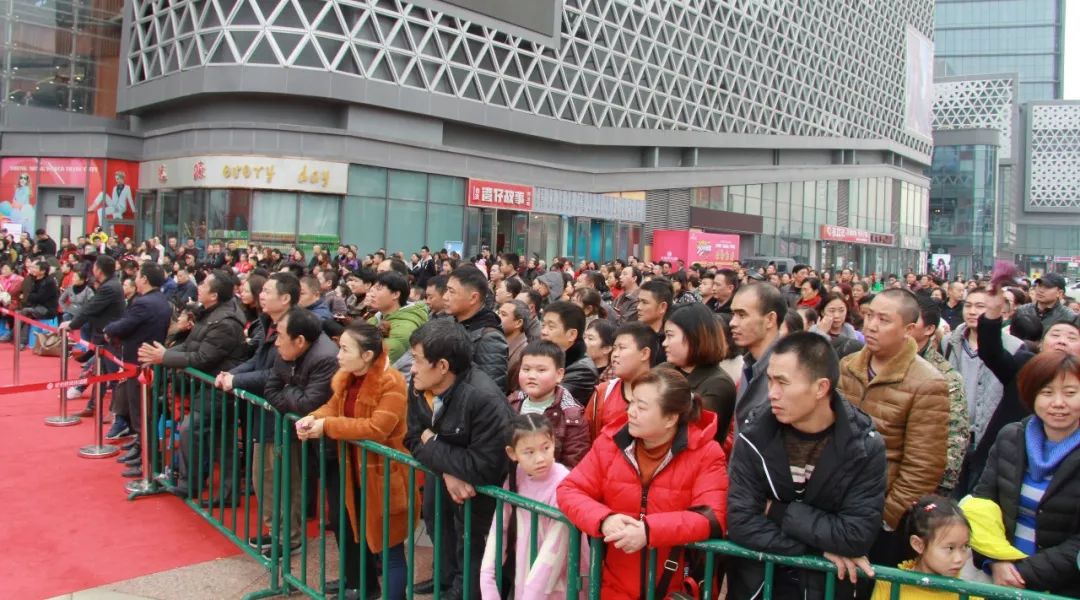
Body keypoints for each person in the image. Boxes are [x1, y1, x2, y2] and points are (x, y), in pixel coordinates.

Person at [727, 332, 887, 599]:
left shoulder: (864, 446)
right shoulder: (754, 434)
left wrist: (776, 512)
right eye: (769, 380)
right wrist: (817, 550)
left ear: (821, 387)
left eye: (783, 383)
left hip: (824, 589)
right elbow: (742, 522)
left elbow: (855, 535)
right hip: (757, 584)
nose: (772, 393)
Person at [557, 367, 727, 599]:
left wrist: (650, 530)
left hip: (675, 588)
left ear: (670, 418)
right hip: (614, 586)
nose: (631, 412)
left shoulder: (706, 452)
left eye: (642, 407)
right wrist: (604, 519)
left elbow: (712, 517)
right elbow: (570, 490)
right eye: (632, 403)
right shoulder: (610, 443)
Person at [296, 321, 412, 600]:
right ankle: (364, 588)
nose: (339, 355)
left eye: (345, 349)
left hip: (382, 475)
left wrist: (328, 427)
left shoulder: (391, 381)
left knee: (390, 549)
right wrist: (314, 417)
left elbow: (376, 428)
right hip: (353, 472)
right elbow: (333, 406)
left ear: (367, 355)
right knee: (357, 536)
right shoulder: (348, 377)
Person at [837, 289, 950, 569]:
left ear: (909, 329)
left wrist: (885, 516)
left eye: (884, 320)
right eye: (869, 316)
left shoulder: (927, 383)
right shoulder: (847, 366)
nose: (872, 326)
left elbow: (923, 466)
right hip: (836, 506)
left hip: (881, 519)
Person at [403, 319, 513, 599]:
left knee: (472, 559)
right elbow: (413, 437)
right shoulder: (418, 386)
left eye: (417, 360)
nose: (411, 368)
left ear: (441, 366)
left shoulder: (483, 399)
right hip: (446, 485)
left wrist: (433, 443)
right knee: (440, 531)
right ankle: (446, 581)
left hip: (477, 501)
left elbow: (484, 465)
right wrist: (448, 472)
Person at [971, 351, 1080, 596]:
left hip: (1063, 586)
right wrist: (995, 561)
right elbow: (983, 504)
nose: (1058, 402)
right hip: (1000, 578)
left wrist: (1023, 573)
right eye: (1047, 392)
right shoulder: (1012, 436)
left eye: (1070, 393)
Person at [139, 269, 249, 497]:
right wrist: (165, 354)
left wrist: (164, 357)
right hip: (210, 385)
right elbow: (192, 345)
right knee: (222, 441)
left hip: (218, 387)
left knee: (195, 431)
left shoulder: (225, 323)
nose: (198, 287)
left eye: (204, 285)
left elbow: (201, 357)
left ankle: (191, 485)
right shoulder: (211, 313)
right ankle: (225, 492)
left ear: (214, 295)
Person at [260, 307, 340, 556]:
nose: (276, 342)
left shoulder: (325, 357)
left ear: (300, 340)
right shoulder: (286, 349)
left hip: (330, 441)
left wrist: (288, 389)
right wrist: (293, 390)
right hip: (306, 433)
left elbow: (308, 405)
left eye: (280, 336)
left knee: (341, 509)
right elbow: (270, 389)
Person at [480, 414, 580, 600]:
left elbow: (554, 551)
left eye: (546, 448)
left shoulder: (565, 483)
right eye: (529, 452)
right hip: (527, 570)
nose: (540, 458)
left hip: (559, 579)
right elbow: (499, 528)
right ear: (512, 453)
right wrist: (487, 579)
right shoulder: (515, 476)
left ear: (553, 441)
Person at [945, 287, 1029, 492]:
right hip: (952, 431)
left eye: (980, 306)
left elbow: (992, 352)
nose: (973, 311)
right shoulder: (948, 341)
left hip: (988, 432)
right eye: (969, 305)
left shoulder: (1014, 347)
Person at [100, 262, 173, 476]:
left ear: (145, 279)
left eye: (139, 276)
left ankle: (148, 460)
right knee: (141, 412)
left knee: (142, 413)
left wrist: (108, 329)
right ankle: (141, 449)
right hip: (144, 362)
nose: (136, 279)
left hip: (141, 364)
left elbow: (126, 324)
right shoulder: (161, 300)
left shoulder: (144, 303)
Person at [912, 298, 969, 495]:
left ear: (928, 329)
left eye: (912, 319)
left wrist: (940, 489)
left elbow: (955, 435)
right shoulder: (870, 362)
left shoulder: (944, 376)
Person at [870, 496, 974, 600]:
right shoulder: (890, 584)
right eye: (950, 548)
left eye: (965, 546)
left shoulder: (970, 593)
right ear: (919, 545)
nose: (959, 559)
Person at [507, 340, 590, 468]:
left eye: (541, 370)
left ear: (559, 374)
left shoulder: (571, 416)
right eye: (526, 369)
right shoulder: (512, 402)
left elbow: (574, 464)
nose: (531, 376)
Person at [661, 303, 736, 444]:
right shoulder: (663, 369)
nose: (665, 343)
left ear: (694, 338)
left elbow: (692, 434)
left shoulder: (718, 384)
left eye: (670, 336)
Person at [62, 255, 123, 416]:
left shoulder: (109, 287)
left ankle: (116, 413)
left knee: (112, 375)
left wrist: (71, 325)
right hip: (102, 336)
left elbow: (90, 309)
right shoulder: (110, 284)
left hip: (109, 337)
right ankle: (92, 406)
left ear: (99, 270)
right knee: (100, 374)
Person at [583, 321, 658, 439]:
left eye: (622, 348)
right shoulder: (603, 391)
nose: (615, 354)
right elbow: (586, 437)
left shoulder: (662, 394)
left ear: (644, 353)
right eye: (614, 348)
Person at [731, 282, 787, 427]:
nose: (733, 323)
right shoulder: (749, 364)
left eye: (742, 315)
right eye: (733, 314)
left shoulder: (787, 372)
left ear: (770, 319)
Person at [445, 265, 509, 391]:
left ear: (473, 297)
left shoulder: (490, 338)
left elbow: (491, 393)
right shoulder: (451, 322)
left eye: (451, 292)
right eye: (446, 290)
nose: (445, 297)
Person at [540, 301, 598, 405]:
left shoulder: (583, 371)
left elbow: (549, 403)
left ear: (571, 334)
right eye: (543, 325)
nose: (544, 331)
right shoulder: (545, 355)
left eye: (551, 327)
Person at [367, 271, 429, 364]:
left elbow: (377, 361)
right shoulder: (378, 317)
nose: (371, 294)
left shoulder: (406, 327)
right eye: (373, 288)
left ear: (395, 294)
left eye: (378, 289)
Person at [811, 292, 864, 359]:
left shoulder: (849, 329)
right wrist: (822, 333)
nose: (837, 315)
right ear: (822, 312)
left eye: (841, 310)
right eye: (832, 311)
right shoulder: (814, 330)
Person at [499, 299, 529, 394]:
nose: (497, 317)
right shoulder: (500, 342)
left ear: (518, 323)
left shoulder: (523, 353)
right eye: (498, 312)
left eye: (503, 314)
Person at [583, 318, 615, 382]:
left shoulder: (613, 378)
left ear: (607, 348)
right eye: (584, 337)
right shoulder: (577, 367)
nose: (584, 342)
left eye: (590, 338)